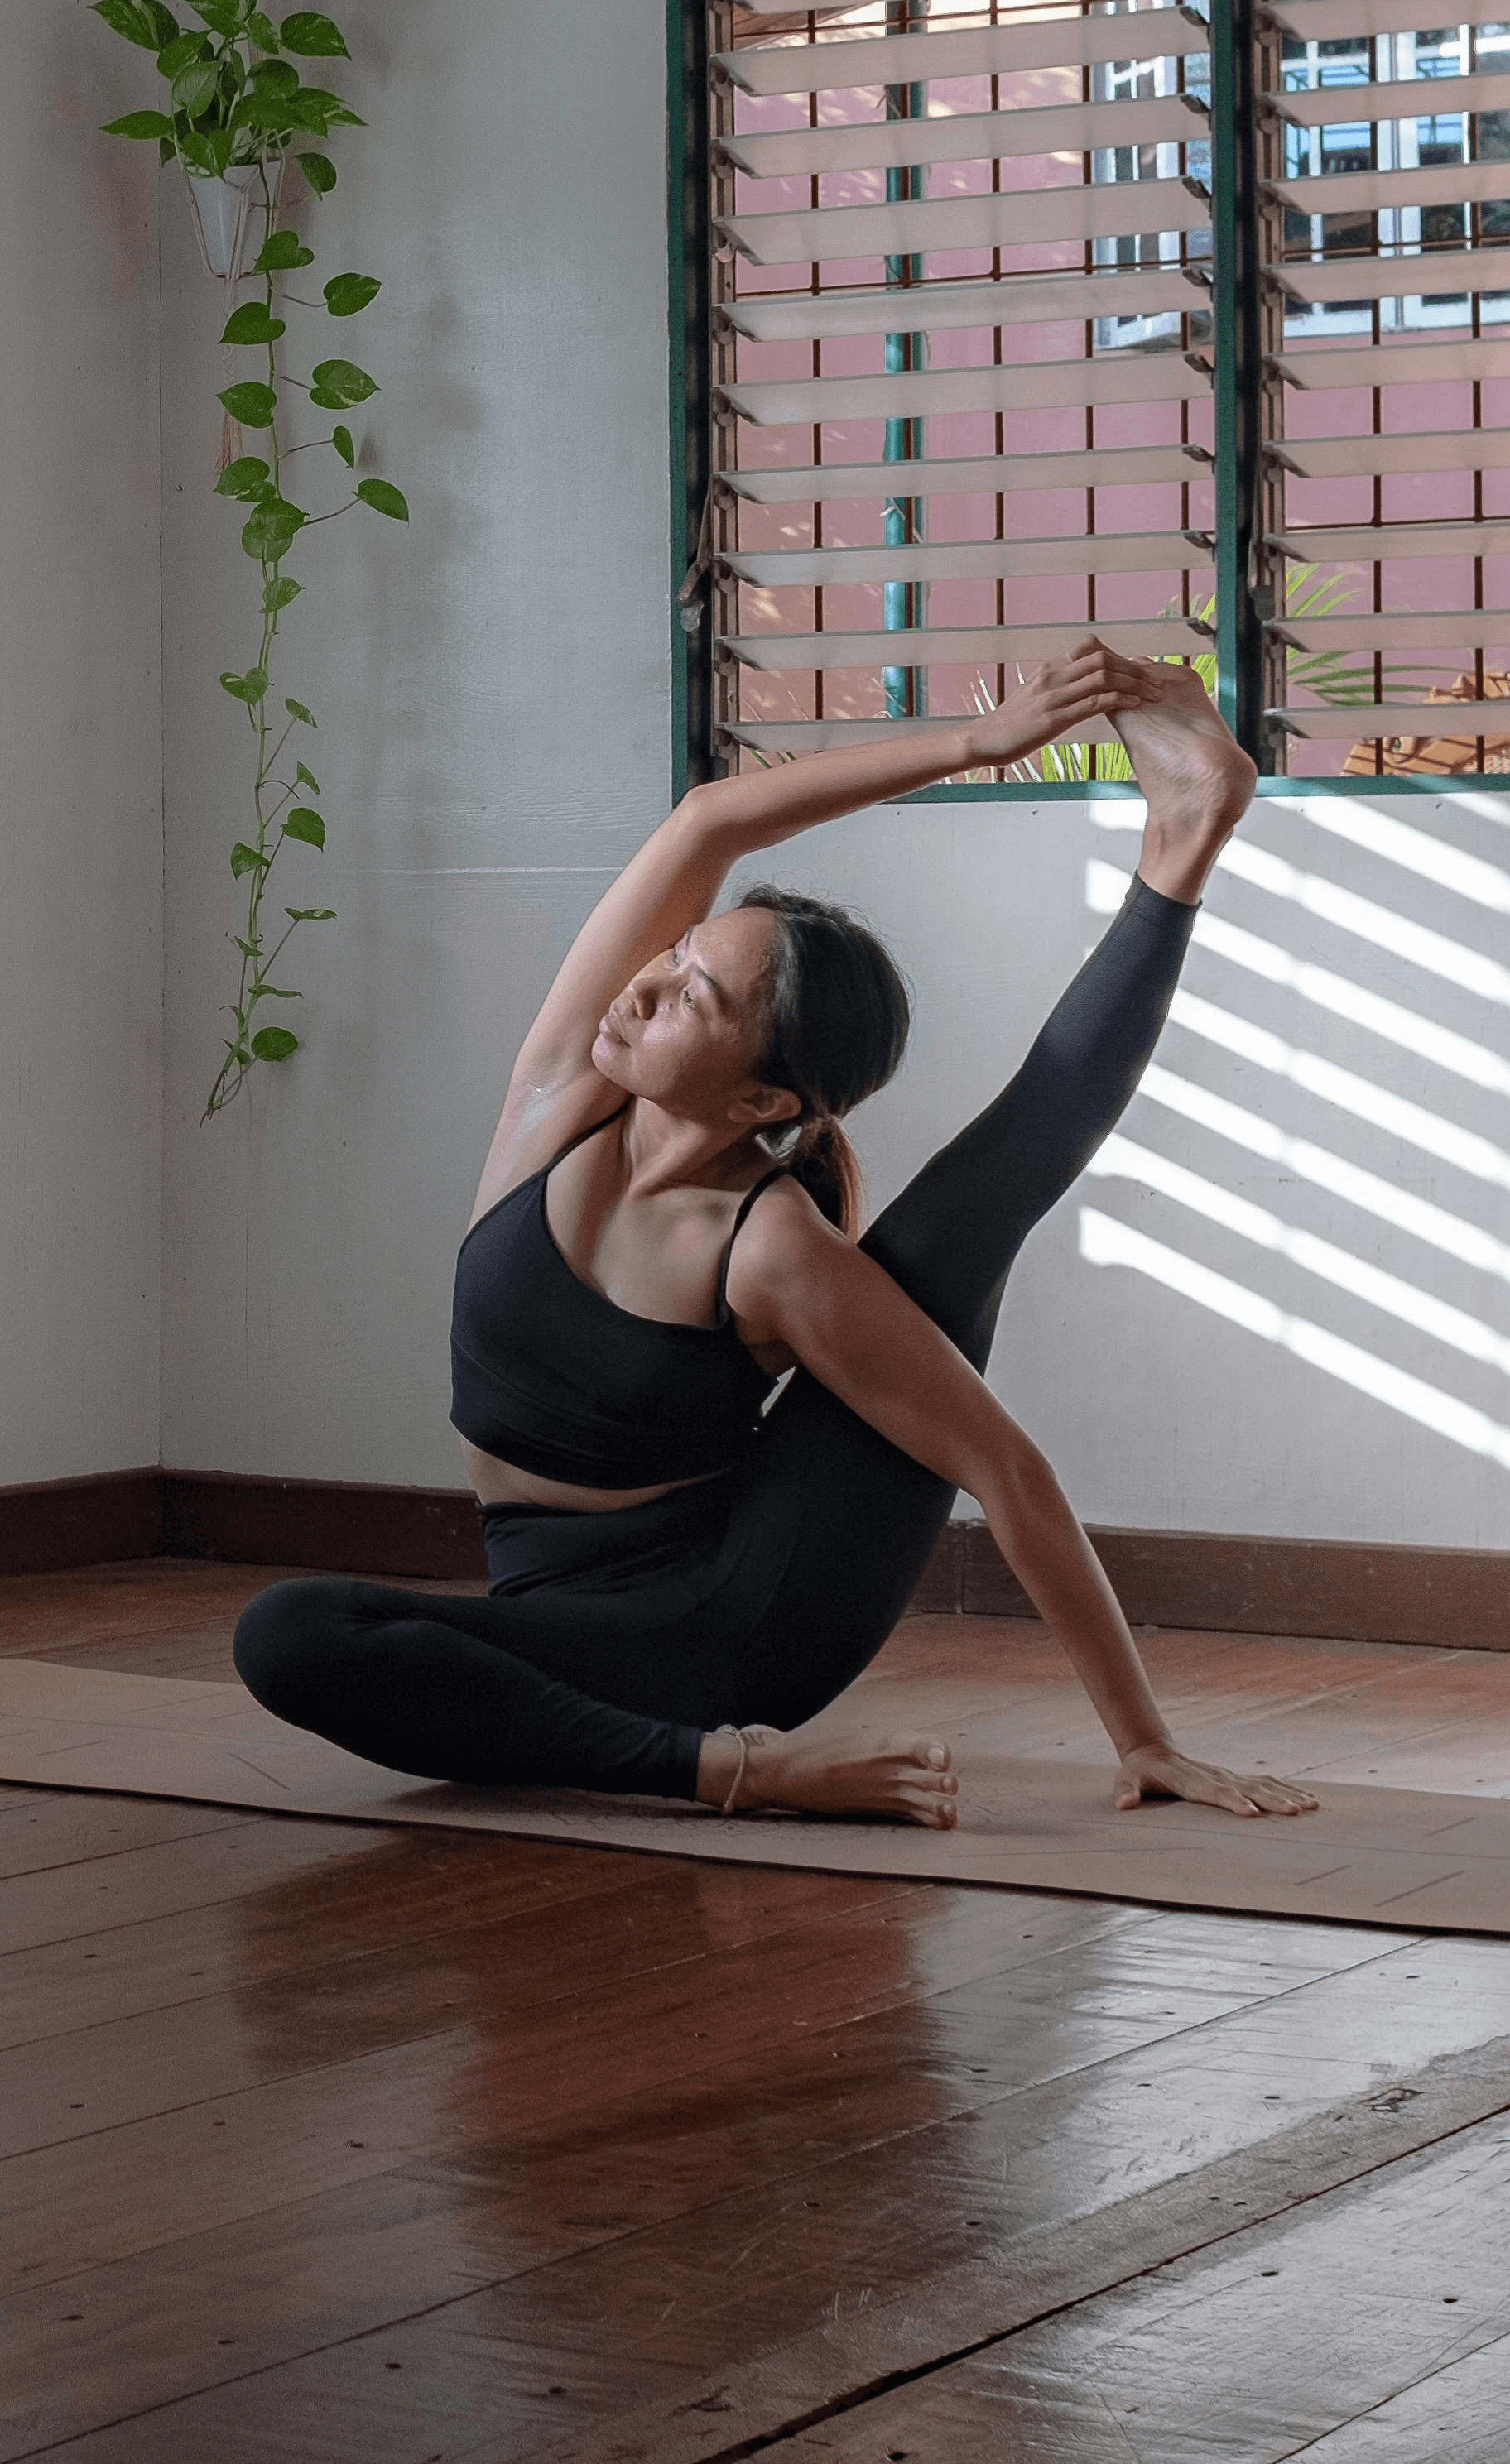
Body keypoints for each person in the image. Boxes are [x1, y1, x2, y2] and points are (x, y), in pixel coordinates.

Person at [233, 639, 1318, 1829]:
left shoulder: (772, 1249)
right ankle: (720, 1766)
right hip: (555, 1606)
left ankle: (1181, 848)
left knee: (972, 1208)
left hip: (736, 1626)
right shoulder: (559, 1095)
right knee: (289, 1634)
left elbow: (1006, 1471)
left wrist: (1146, 1741)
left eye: (695, 997)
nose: (644, 988)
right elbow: (708, 825)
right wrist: (980, 742)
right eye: (675, 959)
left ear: (764, 1103)